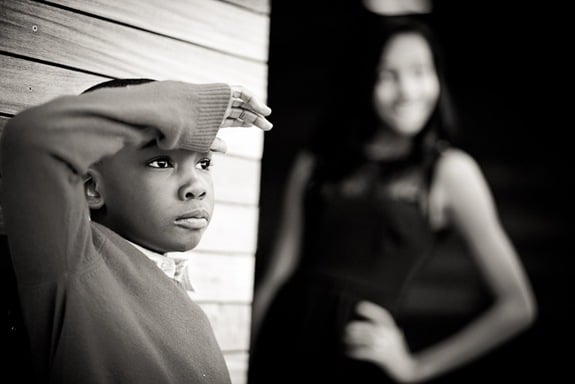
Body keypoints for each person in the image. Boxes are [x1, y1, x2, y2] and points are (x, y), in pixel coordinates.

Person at [248, 17, 536, 383]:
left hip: (356, 362)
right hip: (281, 346)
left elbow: (518, 306)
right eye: (388, 75)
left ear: (437, 77)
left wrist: (416, 367)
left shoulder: (451, 172)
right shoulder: (318, 160)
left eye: (420, 72)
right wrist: (242, 358)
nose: (407, 91)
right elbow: (277, 276)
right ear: (366, 80)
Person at [1, 78, 272, 383]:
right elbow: (33, 138)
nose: (196, 186)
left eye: (204, 163)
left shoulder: (176, 288)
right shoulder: (73, 265)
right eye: (160, 162)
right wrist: (185, 107)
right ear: (91, 188)